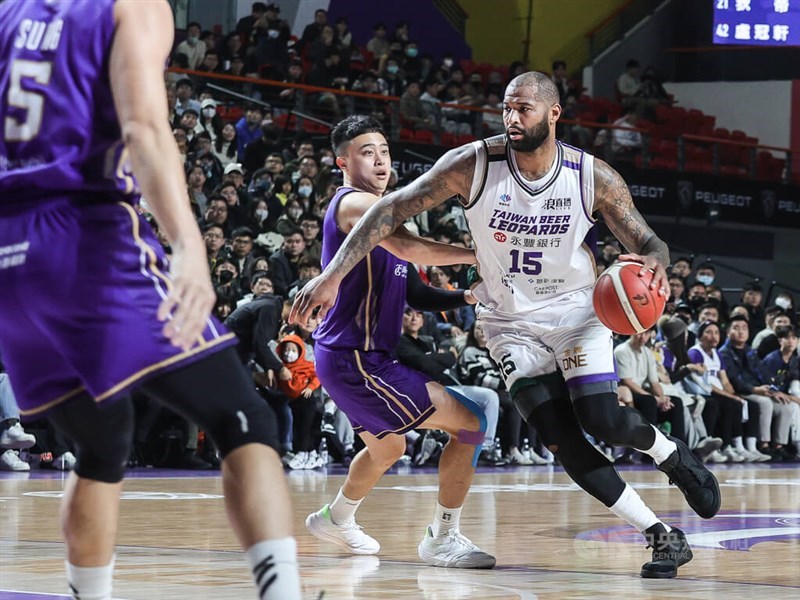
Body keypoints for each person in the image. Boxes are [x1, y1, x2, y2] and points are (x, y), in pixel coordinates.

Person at [292, 72, 722, 578]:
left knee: (604, 419)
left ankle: (672, 455)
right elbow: (391, 213)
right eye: (506, 109)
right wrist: (332, 275)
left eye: (524, 109)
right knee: (561, 438)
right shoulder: (472, 164)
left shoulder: (591, 176)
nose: (512, 119)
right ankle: (660, 535)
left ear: (553, 114)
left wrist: (655, 266)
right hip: (508, 323)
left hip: (574, 313)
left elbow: (651, 243)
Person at [0, 2, 301, 599]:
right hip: (84, 237)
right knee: (244, 417)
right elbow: (142, 126)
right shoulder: (130, 5)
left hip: (10, 257)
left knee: (103, 438)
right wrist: (188, 242)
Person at [297, 115, 496, 569]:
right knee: (471, 424)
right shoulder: (354, 205)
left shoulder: (385, 214)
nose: (381, 160)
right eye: (367, 152)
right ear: (342, 162)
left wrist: (465, 293)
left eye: (384, 151)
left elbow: (415, 290)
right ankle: (442, 538)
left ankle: (336, 518)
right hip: (358, 358)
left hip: (351, 357)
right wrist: (481, 252)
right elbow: (412, 250)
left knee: (389, 448)